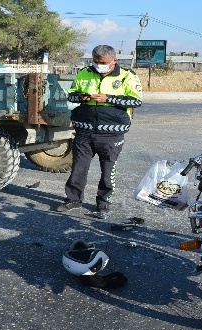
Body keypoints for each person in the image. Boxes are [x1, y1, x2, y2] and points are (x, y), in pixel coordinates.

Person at [56, 45, 142, 217]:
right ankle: (73, 199)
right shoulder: (84, 73)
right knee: (78, 168)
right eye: (95, 61)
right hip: (84, 131)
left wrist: (107, 98)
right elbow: (71, 95)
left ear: (113, 61)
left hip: (112, 133)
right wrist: (81, 97)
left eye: (102, 62)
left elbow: (136, 101)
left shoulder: (127, 76)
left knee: (108, 170)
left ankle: (103, 202)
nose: (98, 65)